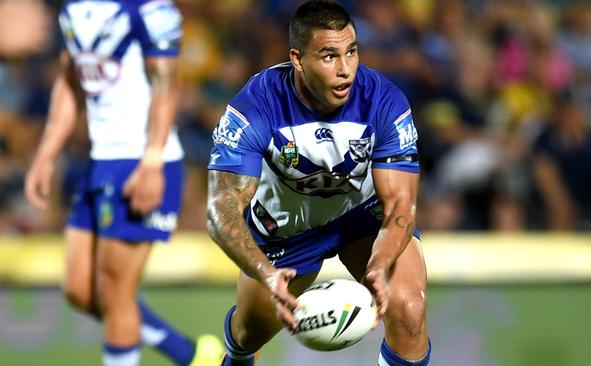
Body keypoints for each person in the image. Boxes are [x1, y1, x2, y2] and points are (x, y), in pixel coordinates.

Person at [206, 1, 431, 365]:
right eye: (329, 56)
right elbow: (221, 209)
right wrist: (264, 271)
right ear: (298, 59)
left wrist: (380, 261)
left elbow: (401, 204)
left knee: (408, 309)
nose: (345, 70)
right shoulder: (255, 107)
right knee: (249, 334)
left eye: (352, 52)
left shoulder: (384, 101)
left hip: (361, 217)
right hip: (285, 230)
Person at [24, 1, 223, 365]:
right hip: (99, 161)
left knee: (116, 297)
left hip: (141, 160)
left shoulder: (148, 9)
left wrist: (151, 162)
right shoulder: (74, 8)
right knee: (80, 291)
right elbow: (71, 79)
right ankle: (194, 355)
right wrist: (46, 153)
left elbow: (167, 83)